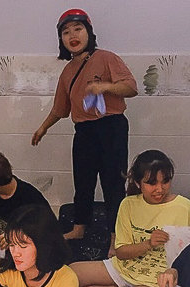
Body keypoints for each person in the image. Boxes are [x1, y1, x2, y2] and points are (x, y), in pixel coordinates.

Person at [32, 9, 137, 244]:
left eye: (78, 29)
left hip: (112, 127)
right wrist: (43, 128)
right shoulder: (67, 71)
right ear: (61, 40)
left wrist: (105, 87)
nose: (72, 36)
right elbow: (61, 109)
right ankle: (79, 227)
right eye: (66, 32)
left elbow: (131, 88)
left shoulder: (107, 58)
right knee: (82, 181)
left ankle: (115, 235)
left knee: (113, 183)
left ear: (88, 32)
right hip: (84, 132)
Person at [71, 150, 190, 287]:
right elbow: (121, 253)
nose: (160, 189)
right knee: (69, 274)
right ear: (138, 183)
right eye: (152, 183)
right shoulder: (128, 204)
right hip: (124, 268)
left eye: (165, 181)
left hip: (156, 279)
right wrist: (148, 244)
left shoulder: (185, 207)